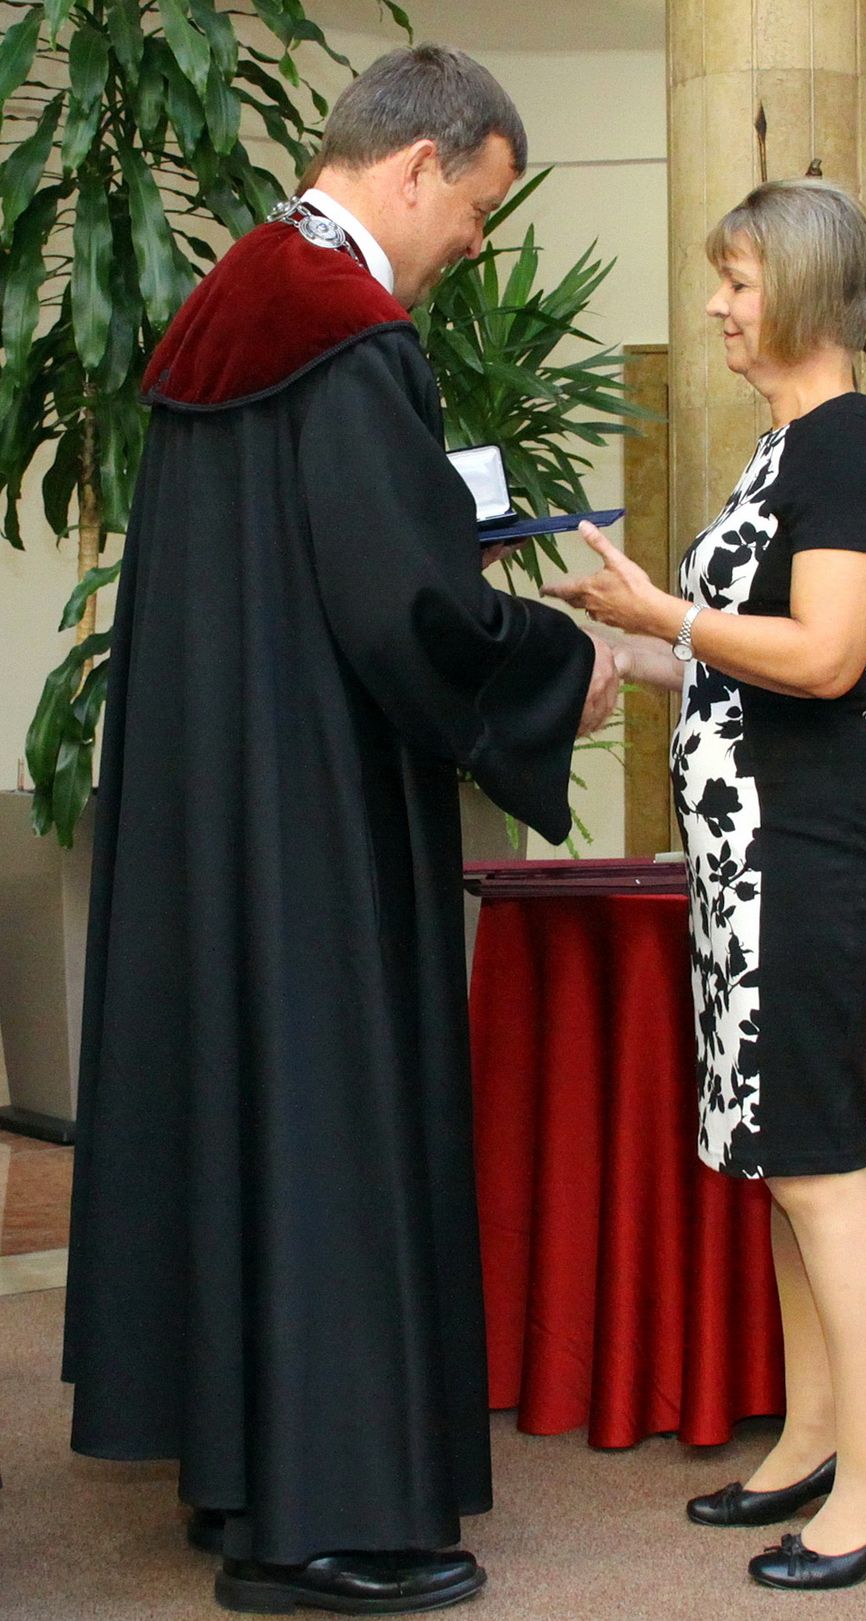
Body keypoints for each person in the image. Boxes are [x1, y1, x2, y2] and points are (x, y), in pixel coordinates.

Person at [62, 45, 617, 1618]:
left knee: (245, 1119)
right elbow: (406, 609)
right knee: (327, 1127)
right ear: (420, 163)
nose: (476, 247)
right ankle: (313, 1526)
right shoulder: (347, 334)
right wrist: (557, 666)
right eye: (481, 209)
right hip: (313, 819)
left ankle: (243, 1470)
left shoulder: (235, 298)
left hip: (217, 812)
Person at [544, 179, 866, 1593]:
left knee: (821, 1165)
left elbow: (824, 657)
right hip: (751, 847)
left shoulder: (844, 443)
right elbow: (736, 661)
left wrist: (671, 612)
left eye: (738, 279)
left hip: (803, 848)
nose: (715, 304)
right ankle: (816, 1438)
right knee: (782, 1161)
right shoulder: (789, 446)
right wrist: (629, 644)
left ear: (808, 294)